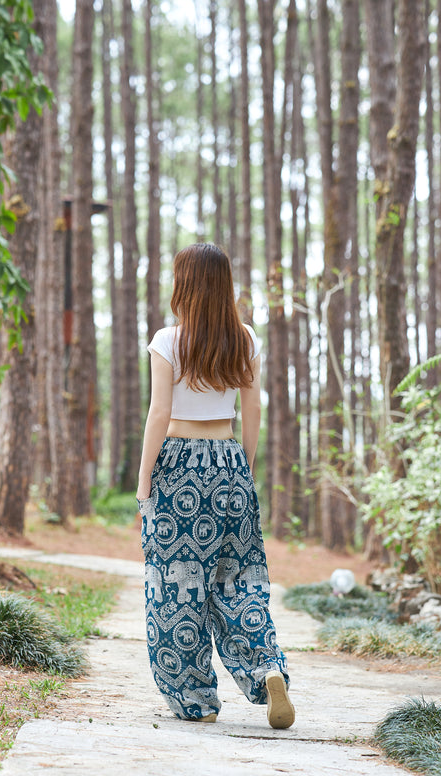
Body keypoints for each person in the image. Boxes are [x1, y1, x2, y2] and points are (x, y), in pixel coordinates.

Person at [136, 242, 294, 729]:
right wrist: (242, 465)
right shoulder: (244, 339)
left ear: (183, 283)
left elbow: (160, 413)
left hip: (178, 465)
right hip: (228, 464)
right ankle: (266, 667)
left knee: (176, 586)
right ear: (225, 285)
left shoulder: (168, 340)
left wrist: (144, 483)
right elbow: (254, 409)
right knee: (237, 578)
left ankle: (196, 700)